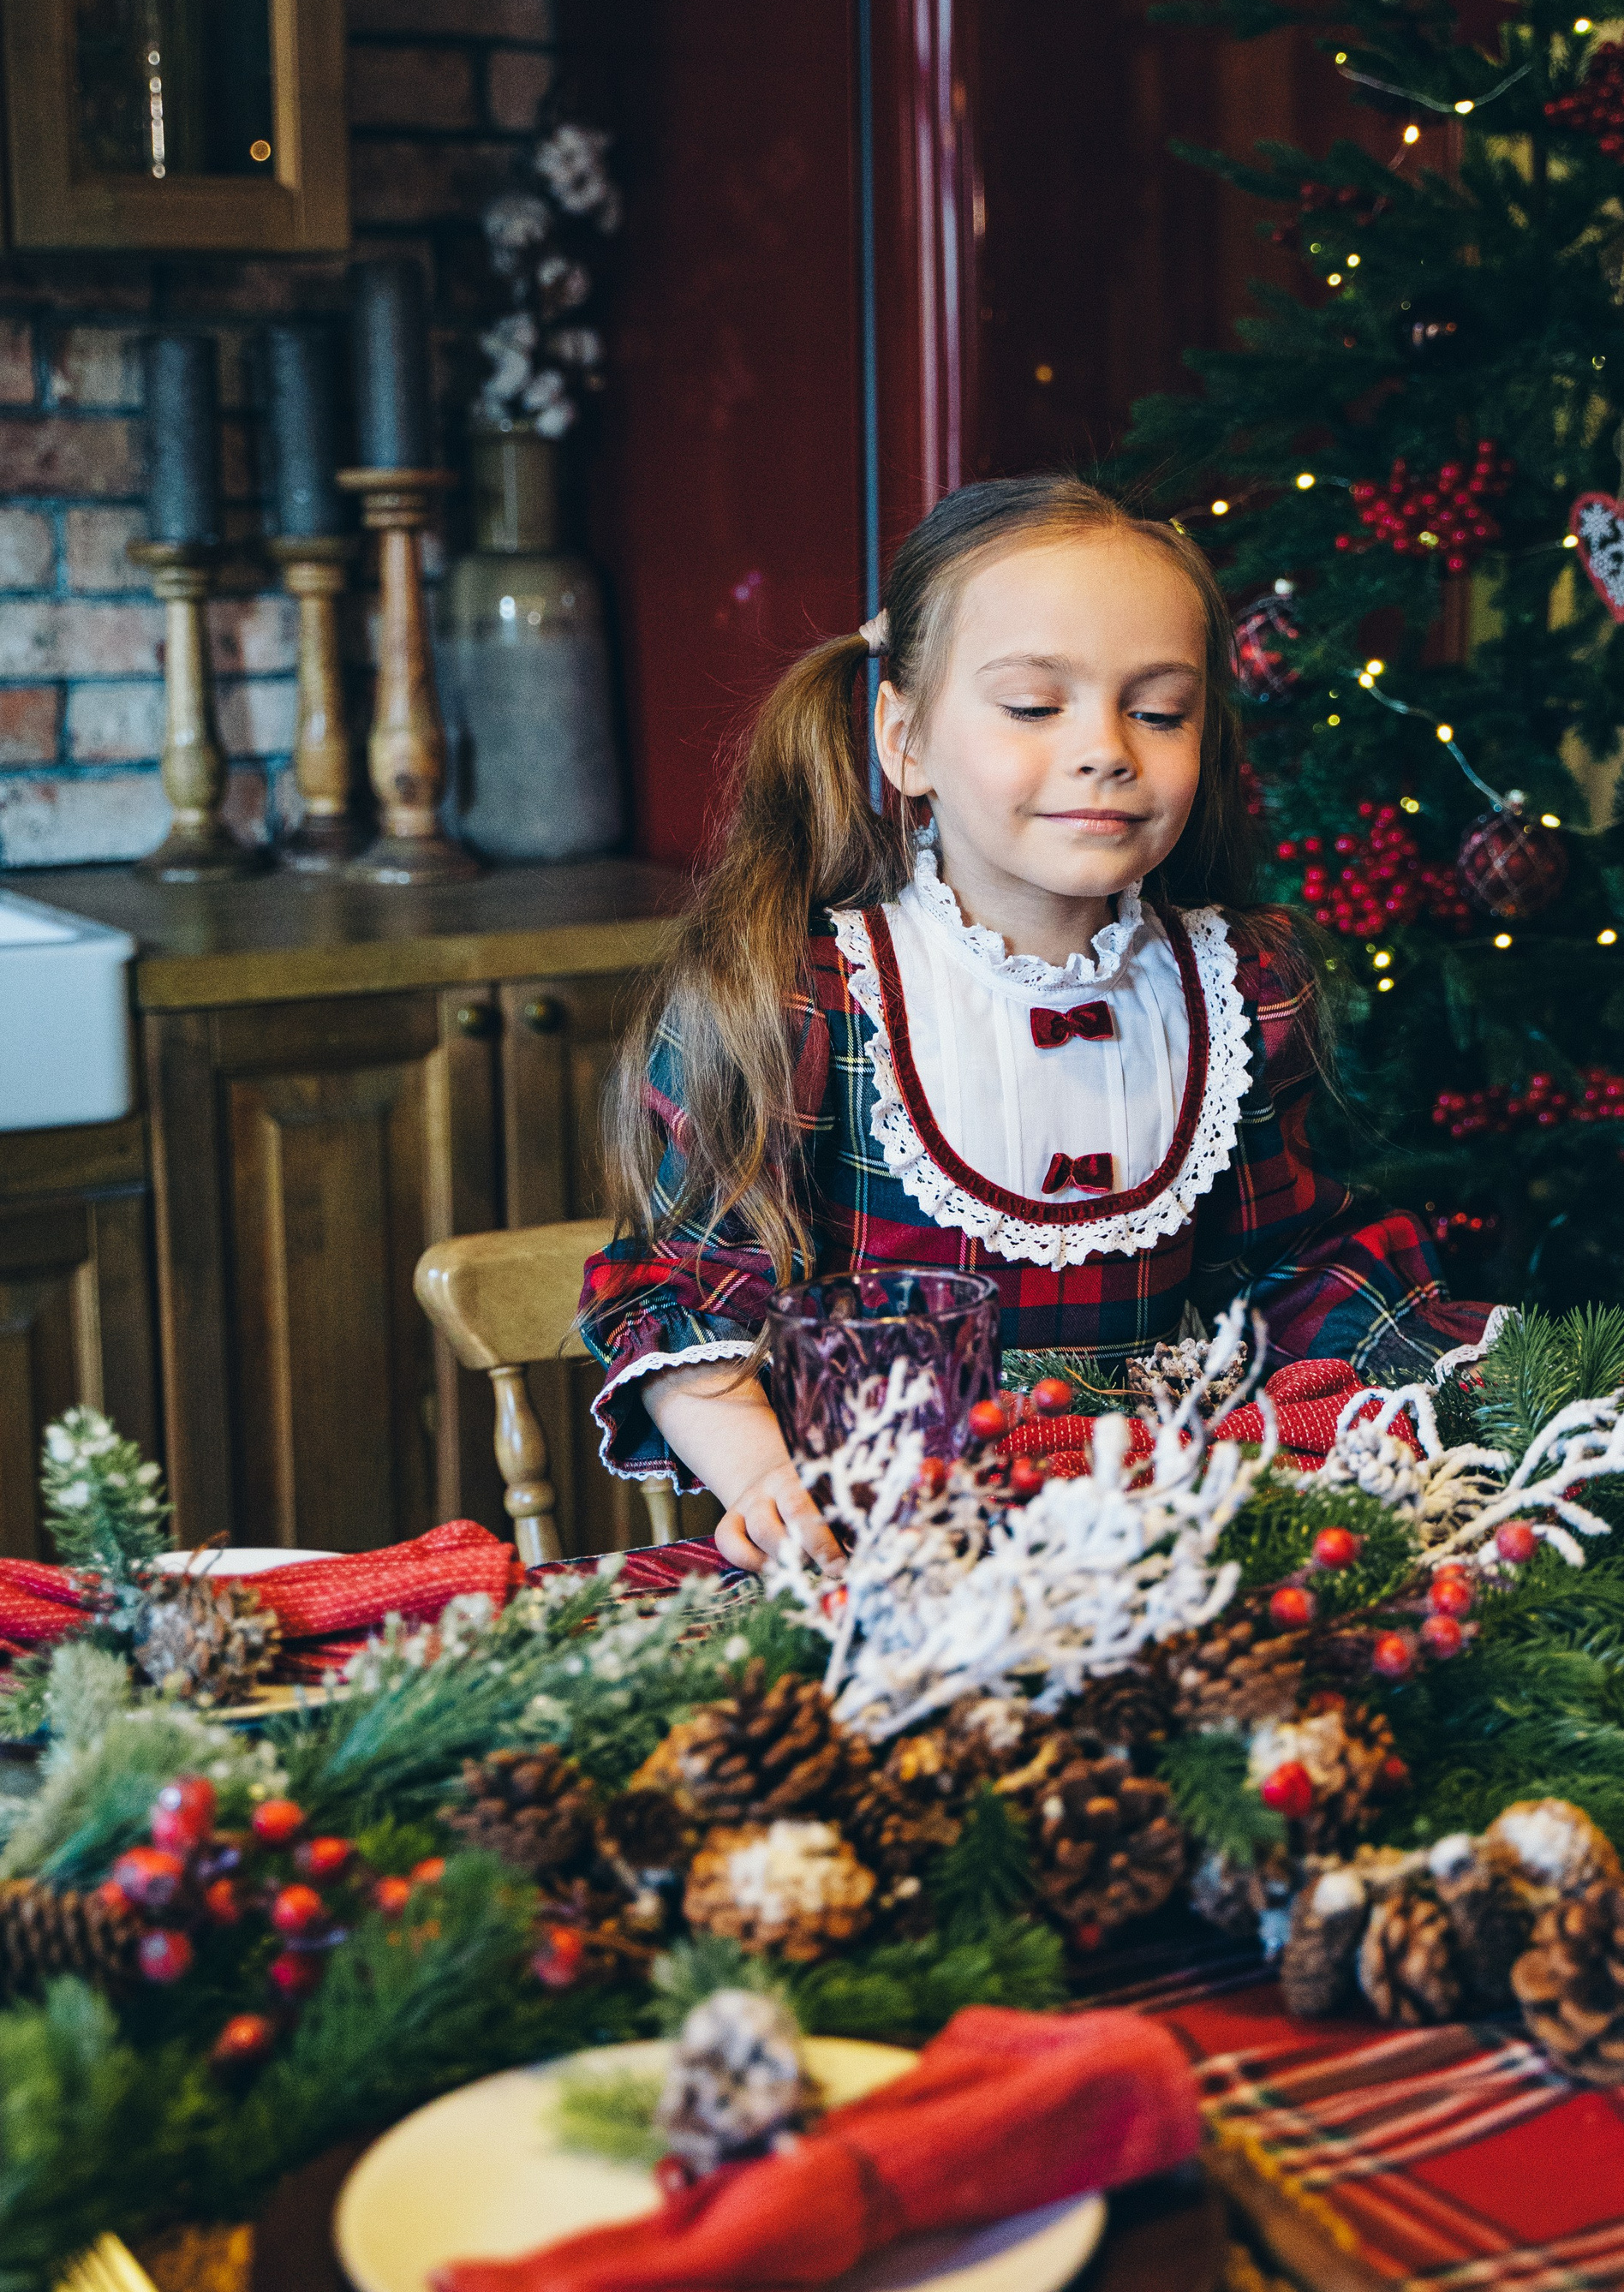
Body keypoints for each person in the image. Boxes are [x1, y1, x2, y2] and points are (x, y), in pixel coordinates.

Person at [580, 475, 1484, 1568]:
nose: (1107, 748)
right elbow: (690, 1286)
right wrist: (767, 1482)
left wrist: (1462, 1381)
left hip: (1163, 1541)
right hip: (886, 1551)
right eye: (1033, 706)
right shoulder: (800, 1001)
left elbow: (1286, 1271)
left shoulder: (1241, 989)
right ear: (904, 741)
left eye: (1158, 711)